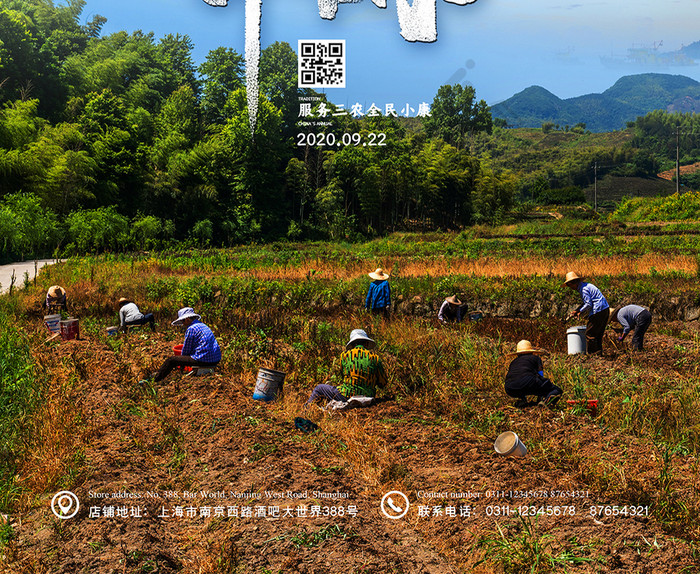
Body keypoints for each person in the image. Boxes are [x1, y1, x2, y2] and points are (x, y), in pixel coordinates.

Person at [306, 329, 388, 405]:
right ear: (366, 344)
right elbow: (383, 383)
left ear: (352, 345)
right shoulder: (375, 358)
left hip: (347, 395)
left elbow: (343, 377)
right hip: (369, 396)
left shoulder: (345, 356)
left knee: (319, 388)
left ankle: (306, 409)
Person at [152, 307, 221, 382]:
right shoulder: (203, 325)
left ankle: (156, 379)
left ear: (187, 319)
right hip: (215, 359)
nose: (183, 324)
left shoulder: (191, 329)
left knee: (171, 360)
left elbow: (186, 351)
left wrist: (180, 362)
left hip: (202, 359)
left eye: (183, 321)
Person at [504, 340, 562, 407]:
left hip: (509, 387)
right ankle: (546, 402)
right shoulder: (536, 358)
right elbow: (540, 375)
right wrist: (541, 393)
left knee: (521, 385)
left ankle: (522, 400)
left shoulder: (514, 362)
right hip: (528, 382)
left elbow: (516, 376)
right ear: (531, 351)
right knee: (557, 390)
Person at [564, 271, 610, 355]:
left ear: (572, 283)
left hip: (598, 311)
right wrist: (578, 310)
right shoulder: (586, 286)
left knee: (590, 333)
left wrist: (580, 312)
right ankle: (598, 354)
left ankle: (593, 355)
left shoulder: (583, 289)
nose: (570, 287)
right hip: (604, 309)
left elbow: (588, 304)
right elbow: (587, 302)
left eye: (569, 285)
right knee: (598, 334)